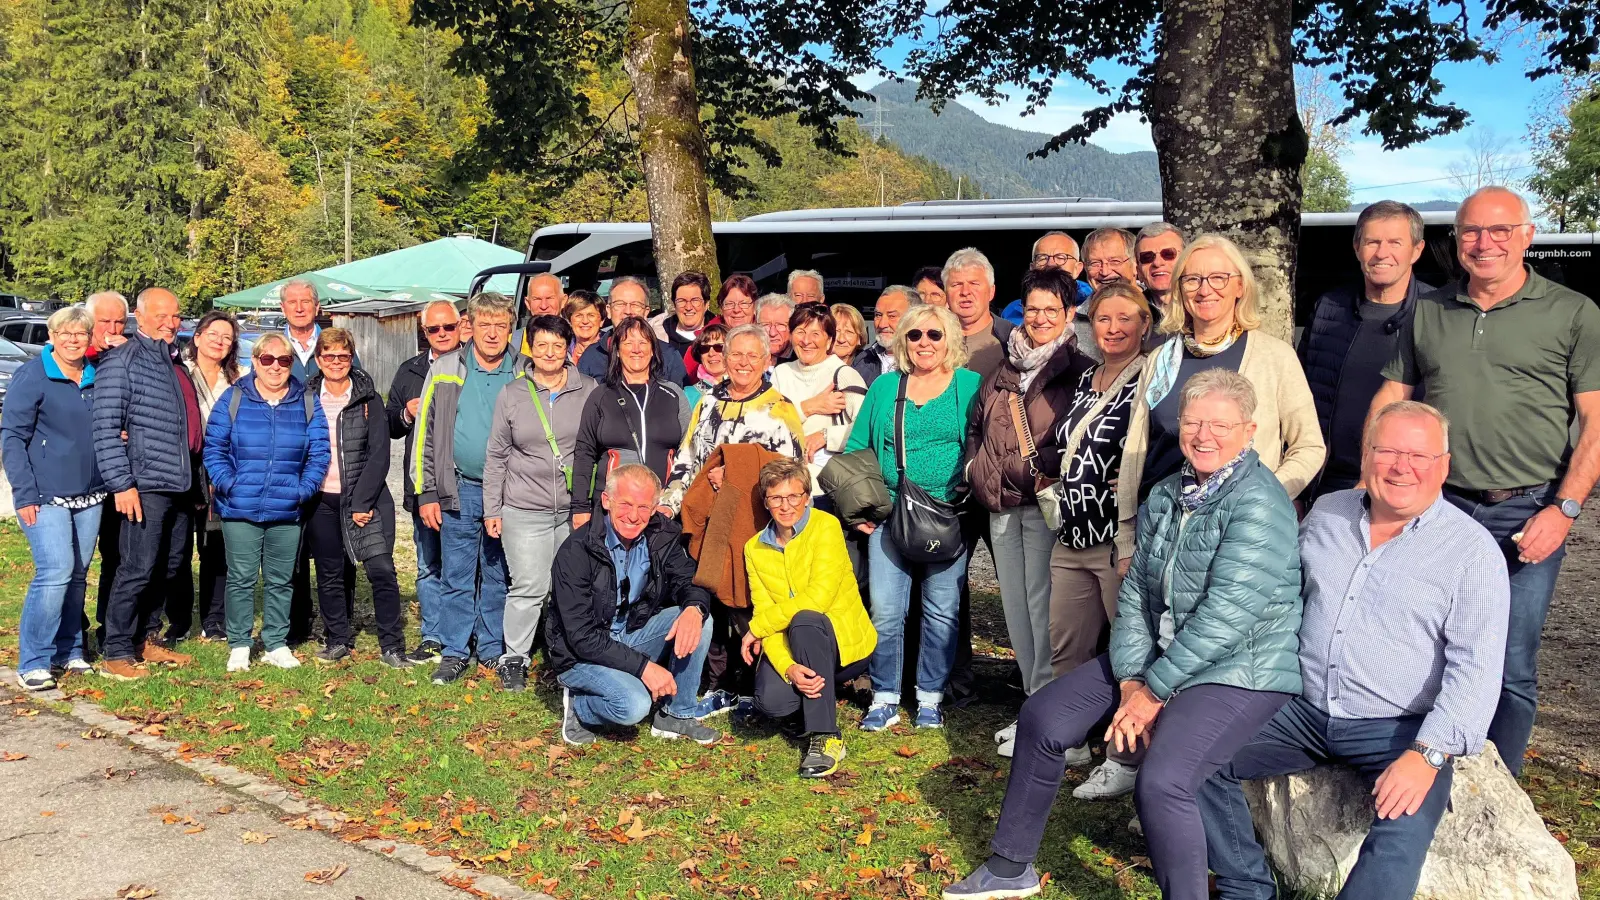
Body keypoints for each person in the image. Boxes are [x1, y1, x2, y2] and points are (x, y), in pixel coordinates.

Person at [943, 369, 1303, 900]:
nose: (1204, 435)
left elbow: (1227, 616)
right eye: (1193, 422)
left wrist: (1152, 692)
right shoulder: (1167, 493)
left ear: (1249, 431)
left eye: (1221, 425)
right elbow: (1135, 592)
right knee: (1044, 716)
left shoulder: (1259, 503)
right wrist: (1133, 678)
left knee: (1163, 782)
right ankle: (1009, 866)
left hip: (1240, 669)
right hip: (1160, 657)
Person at [1201, 401, 1509, 900]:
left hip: (1394, 726)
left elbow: (1476, 670)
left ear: (1444, 466)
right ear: (1366, 456)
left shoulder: (1471, 552)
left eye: (1419, 456)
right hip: (1299, 710)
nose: (1401, 467)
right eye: (1387, 451)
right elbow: (1274, 595)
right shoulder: (1329, 512)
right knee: (1193, 751)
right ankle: (1247, 889)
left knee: (1405, 824)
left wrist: (1427, 755)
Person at [1369, 185, 1600, 779]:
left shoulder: (1573, 313)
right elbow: (1394, 394)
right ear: (1456, 241)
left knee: (1509, 660)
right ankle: (1424, 767)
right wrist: (1375, 475)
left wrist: (1564, 510)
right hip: (1438, 508)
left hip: (1526, 511)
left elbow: (1596, 422)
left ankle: (1498, 790)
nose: (1484, 242)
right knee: (1422, 646)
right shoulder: (1429, 311)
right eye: (1471, 231)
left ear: (1527, 236)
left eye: (1500, 230)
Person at [1119, 233, 1324, 534]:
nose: (1205, 290)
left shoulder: (1275, 357)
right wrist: (1126, 534)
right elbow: (1136, 450)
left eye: (1218, 278)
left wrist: (1264, 497)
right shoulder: (1160, 360)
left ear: (1240, 286)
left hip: (1239, 531)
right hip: (1159, 531)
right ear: (1180, 289)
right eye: (1193, 280)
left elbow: (1309, 446)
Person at [966, 267, 1092, 751]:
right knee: (1016, 608)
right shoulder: (1003, 370)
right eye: (1033, 309)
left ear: (1069, 313)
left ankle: (1048, 708)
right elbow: (976, 426)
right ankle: (1032, 702)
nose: (1040, 318)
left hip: (1043, 505)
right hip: (1002, 504)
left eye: (1051, 310)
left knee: (1044, 608)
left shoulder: (1077, 371)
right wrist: (977, 468)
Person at [1030, 283, 1151, 770]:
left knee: (1129, 652)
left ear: (1144, 324)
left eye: (1125, 318)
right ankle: (1072, 737)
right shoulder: (1087, 378)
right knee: (1066, 643)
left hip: (1116, 537)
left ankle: (1126, 758)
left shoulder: (1151, 376)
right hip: (1072, 533)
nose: (1113, 328)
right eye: (1104, 319)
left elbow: (1160, 442)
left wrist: (1140, 479)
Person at [844, 304, 981, 730]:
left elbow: (986, 442)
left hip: (948, 516)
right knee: (886, 611)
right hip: (890, 514)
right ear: (903, 341)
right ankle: (885, 695)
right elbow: (857, 449)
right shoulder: (886, 386)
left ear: (950, 339)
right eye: (915, 335)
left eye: (934, 334)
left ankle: (930, 697)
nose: (924, 342)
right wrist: (858, 509)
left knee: (942, 611)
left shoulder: (969, 385)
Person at [547, 464, 720, 746]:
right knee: (633, 706)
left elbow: (689, 578)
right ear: (607, 501)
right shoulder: (576, 551)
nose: (633, 516)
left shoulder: (662, 535)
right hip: (579, 654)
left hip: (629, 633)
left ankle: (676, 714)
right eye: (625, 504)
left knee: (700, 618)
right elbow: (581, 636)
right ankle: (579, 706)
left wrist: (694, 608)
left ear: (654, 507)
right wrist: (644, 668)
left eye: (643, 507)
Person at [414, 292, 528, 685]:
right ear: (470, 327)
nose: (492, 333)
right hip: (460, 487)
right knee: (457, 574)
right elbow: (425, 434)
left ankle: (492, 649)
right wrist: (426, 492)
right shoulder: (447, 368)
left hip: (509, 492)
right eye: (485, 325)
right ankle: (454, 651)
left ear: (511, 328)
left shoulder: (524, 370)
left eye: (501, 325)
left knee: (498, 574)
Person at [483, 315, 599, 692]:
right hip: (523, 507)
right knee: (529, 585)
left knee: (568, 586)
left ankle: (562, 653)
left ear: (568, 349)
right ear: (530, 348)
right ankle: (515, 657)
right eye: (542, 345)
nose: (550, 353)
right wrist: (492, 508)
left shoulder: (588, 389)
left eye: (557, 345)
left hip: (573, 510)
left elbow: (597, 446)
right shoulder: (512, 393)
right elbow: (497, 455)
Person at [204, 333, 331, 673]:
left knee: (280, 579)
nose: (275, 366)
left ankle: (275, 642)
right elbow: (214, 448)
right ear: (256, 360)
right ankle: (239, 644)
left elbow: (319, 452)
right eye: (267, 359)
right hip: (240, 507)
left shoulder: (306, 401)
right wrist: (229, 484)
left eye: (284, 360)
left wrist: (302, 490)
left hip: (287, 507)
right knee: (241, 578)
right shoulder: (234, 398)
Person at [743, 458, 877, 777]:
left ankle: (826, 735)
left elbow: (818, 598)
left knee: (805, 619)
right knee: (772, 702)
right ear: (766, 501)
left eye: (794, 496)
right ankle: (806, 704)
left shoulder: (825, 527)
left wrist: (756, 629)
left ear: (806, 497)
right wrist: (788, 667)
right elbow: (765, 613)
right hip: (793, 645)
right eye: (776, 497)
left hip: (843, 645)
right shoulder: (754, 549)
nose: (786, 505)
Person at [92, 287, 201, 681]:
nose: (171, 323)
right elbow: (105, 428)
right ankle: (116, 650)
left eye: (175, 316)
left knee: (168, 566)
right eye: (161, 315)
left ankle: (145, 637)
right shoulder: (122, 361)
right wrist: (122, 483)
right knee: (136, 567)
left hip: (178, 483)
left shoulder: (172, 360)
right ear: (139, 316)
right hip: (144, 483)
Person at [1300, 201, 1432, 497]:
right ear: (1357, 248)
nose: (1382, 253)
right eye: (1372, 242)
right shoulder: (1328, 308)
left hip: (1406, 482)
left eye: (1395, 243)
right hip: (1327, 480)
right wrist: (1299, 487)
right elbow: (1300, 398)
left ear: (1417, 250)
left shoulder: (1437, 314)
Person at [3, 306, 104, 690]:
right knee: (55, 571)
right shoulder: (33, 376)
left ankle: (69, 649)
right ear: (52, 336)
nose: (73, 340)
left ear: (89, 338)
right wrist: (24, 493)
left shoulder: (95, 375)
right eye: (65, 333)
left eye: (80, 334)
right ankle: (34, 660)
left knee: (77, 575)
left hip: (91, 494)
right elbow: (13, 436)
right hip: (44, 494)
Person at [304, 329, 413, 669]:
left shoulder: (369, 398)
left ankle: (392, 645)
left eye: (343, 356)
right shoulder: (306, 397)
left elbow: (379, 453)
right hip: (322, 498)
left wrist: (361, 502)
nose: (336, 362)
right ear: (318, 360)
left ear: (351, 358)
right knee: (330, 572)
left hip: (366, 499)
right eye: (329, 356)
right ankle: (337, 639)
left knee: (381, 569)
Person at [281, 278, 358, 645]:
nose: (299, 307)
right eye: (292, 302)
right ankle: (297, 621)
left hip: (335, 470)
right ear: (283, 308)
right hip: (291, 463)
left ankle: (340, 622)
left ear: (316, 307)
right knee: (293, 548)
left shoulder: (335, 344)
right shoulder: (274, 347)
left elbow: (358, 388)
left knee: (340, 550)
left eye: (305, 301)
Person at [386, 299, 462, 664]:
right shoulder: (411, 370)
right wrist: (405, 413)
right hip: (423, 483)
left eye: (449, 327)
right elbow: (388, 423)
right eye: (434, 329)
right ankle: (432, 635)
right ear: (424, 332)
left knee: (465, 566)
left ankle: (463, 635)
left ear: (460, 327)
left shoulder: (475, 366)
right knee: (428, 563)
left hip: (464, 482)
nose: (442, 334)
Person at [663, 325, 805, 513]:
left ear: (766, 362)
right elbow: (686, 458)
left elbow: (792, 475)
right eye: (736, 354)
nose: (743, 363)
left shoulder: (780, 409)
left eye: (753, 356)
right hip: (700, 514)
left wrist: (735, 476)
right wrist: (669, 506)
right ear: (725, 359)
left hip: (752, 517)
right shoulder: (708, 400)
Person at [571, 316, 691, 530]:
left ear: (653, 350)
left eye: (643, 342)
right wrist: (580, 507)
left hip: (661, 508)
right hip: (613, 510)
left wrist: (673, 501)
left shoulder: (673, 394)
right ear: (617, 351)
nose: (636, 349)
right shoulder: (601, 395)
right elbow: (584, 453)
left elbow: (688, 453)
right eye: (628, 343)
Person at [183, 311, 247, 643]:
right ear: (197, 337)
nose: (219, 342)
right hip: (184, 466)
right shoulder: (180, 373)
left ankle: (215, 618)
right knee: (178, 547)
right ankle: (178, 617)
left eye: (227, 337)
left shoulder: (240, 378)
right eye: (213, 334)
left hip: (222, 467)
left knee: (215, 546)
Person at [772, 304, 868, 491]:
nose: (806, 341)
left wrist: (826, 436)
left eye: (816, 334)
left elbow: (867, 428)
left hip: (827, 488)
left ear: (829, 340)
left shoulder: (843, 374)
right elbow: (770, 426)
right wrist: (808, 407)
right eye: (800, 332)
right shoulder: (781, 373)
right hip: (784, 485)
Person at [578, 277, 688, 385]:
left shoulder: (668, 355)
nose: (628, 311)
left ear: (646, 312)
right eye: (620, 304)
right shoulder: (591, 356)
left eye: (635, 305)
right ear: (609, 311)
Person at [943, 248, 1014, 380]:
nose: (965, 292)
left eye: (974, 284)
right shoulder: (929, 338)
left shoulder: (1013, 338)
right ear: (946, 293)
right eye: (956, 284)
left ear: (991, 291)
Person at [1001, 232, 1092, 328]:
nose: (1050, 263)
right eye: (1042, 258)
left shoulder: (1094, 307)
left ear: (1077, 269)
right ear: (1032, 268)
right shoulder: (1012, 311)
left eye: (1060, 257)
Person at [853, 286, 914, 386]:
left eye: (892, 316)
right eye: (878, 315)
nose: (882, 324)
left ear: (913, 318)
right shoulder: (863, 361)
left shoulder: (923, 363)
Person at [656, 271, 716, 359]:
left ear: (706, 304)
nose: (688, 307)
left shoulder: (722, 337)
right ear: (674, 304)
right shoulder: (657, 336)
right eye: (681, 301)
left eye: (695, 300)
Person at [1135, 222, 1186, 321]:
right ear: (1139, 272)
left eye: (1168, 254)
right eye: (1147, 257)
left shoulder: (1203, 306)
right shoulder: (1131, 312)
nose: (1157, 263)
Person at [512, 273, 567, 358]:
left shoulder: (578, 341)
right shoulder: (512, 342)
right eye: (537, 299)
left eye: (549, 298)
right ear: (528, 303)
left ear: (563, 301)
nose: (543, 306)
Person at [685, 323, 728, 408]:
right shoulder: (687, 395)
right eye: (704, 348)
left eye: (719, 347)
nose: (711, 353)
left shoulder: (748, 389)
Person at [563, 291, 606, 367]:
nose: (585, 321)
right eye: (579, 315)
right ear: (570, 321)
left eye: (591, 315)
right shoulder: (561, 349)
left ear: (602, 321)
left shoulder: (611, 349)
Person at [755, 293, 797, 363]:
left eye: (780, 325)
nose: (772, 333)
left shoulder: (801, 359)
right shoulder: (750, 357)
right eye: (765, 325)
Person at [830, 303, 868, 369]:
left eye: (849, 332)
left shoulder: (870, 367)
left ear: (859, 338)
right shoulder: (813, 365)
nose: (841, 339)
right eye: (836, 331)